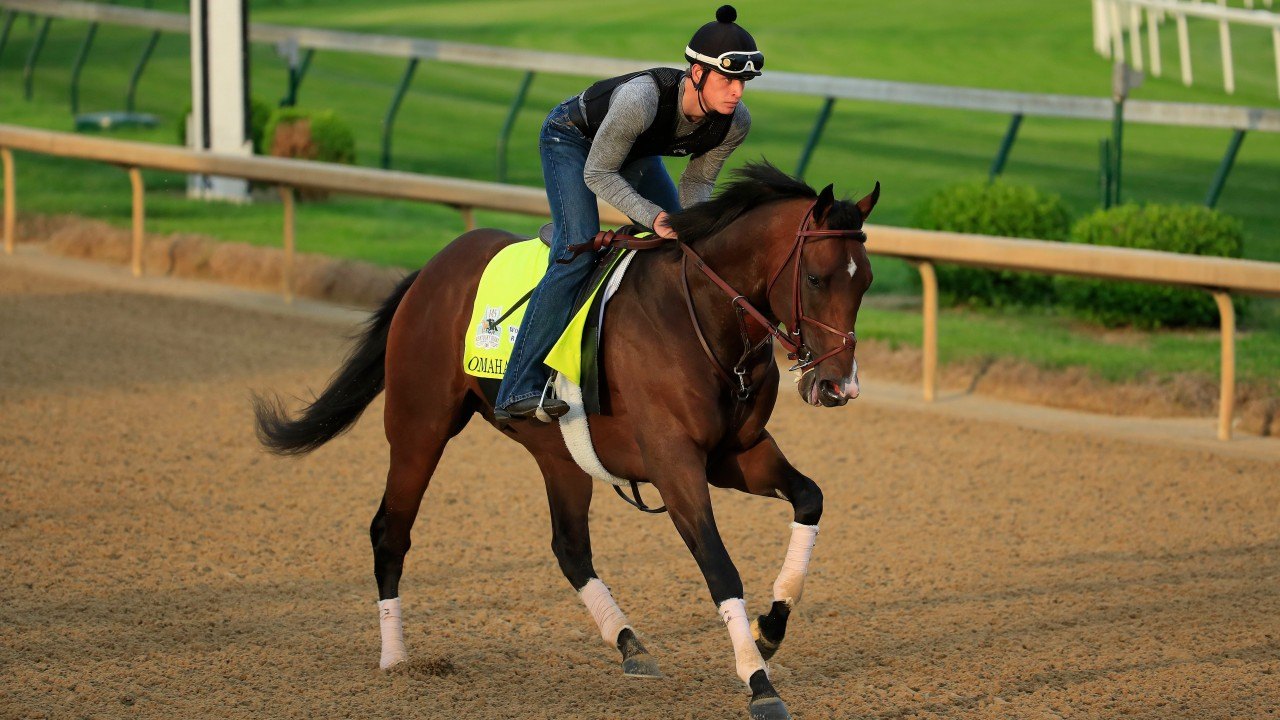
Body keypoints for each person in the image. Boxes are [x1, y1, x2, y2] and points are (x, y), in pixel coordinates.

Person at [495, 4, 763, 423]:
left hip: (635, 153)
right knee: (576, 252)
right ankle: (518, 387)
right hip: (573, 141)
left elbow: (698, 184)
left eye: (743, 82)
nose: (737, 92)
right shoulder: (642, 99)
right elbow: (599, 171)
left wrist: (693, 230)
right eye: (727, 80)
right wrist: (654, 216)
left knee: (683, 248)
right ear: (696, 73)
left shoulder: (734, 122)